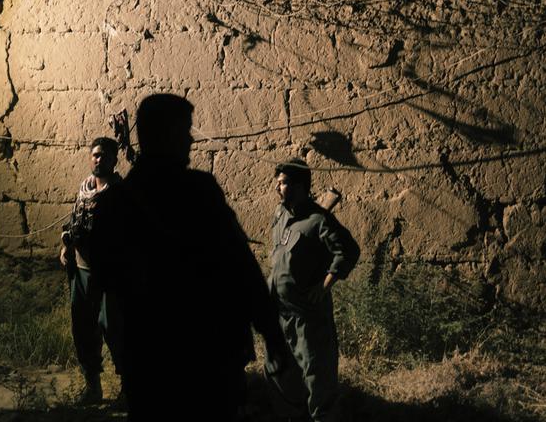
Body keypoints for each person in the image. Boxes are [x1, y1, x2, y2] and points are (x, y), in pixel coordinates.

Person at [90, 94, 287, 421]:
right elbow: (240, 264)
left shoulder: (118, 201)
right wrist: (271, 331)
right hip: (206, 352)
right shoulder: (199, 190)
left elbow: (105, 277)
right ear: (164, 135)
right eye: (184, 132)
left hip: (149, 358)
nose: (190, 140)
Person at [266, 159, 360, 422]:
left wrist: (325, 285)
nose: (278, 187)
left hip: (307, 319)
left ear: (299, 186)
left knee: (317, 378)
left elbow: (348, 251)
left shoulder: (319, 220)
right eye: (277, 182)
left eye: (283, 183)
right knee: (279, 373)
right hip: (281, 315)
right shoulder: (281, 214)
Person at [59, 137, 125, 404]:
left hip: (111, 273)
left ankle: (127, 386)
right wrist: (66, 245)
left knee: (114, 328)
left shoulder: (121, 193)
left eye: (105, 156)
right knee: (83, 329)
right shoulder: (84, 189)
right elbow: (75, 221)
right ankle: (92, 386)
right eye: (96, 155)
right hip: (82, 270)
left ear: (114, 160)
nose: (99, 159)